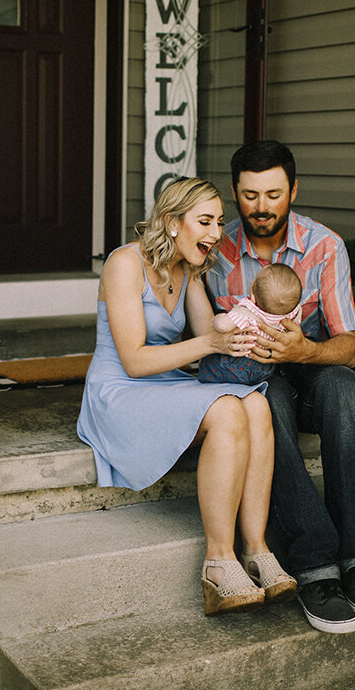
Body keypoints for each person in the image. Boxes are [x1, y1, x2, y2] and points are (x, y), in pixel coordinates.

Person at [77, 177, 297, 616]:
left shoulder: (188, 270)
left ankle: (256, 548)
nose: (217, 232)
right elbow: (135, 361)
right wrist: (212, 344)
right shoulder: (124, 263)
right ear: (173, 223)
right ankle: (219, 560)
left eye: (218, 221)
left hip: (165, 381)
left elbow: (208, 332)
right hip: (119, 389)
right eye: (205, 221)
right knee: (227, 412)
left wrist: (255, 327)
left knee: (255, 402)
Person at [205, 140, 355, 635]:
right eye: (249, 195)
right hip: (250, 376)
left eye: (272, 193)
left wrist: (303, 350)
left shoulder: (324, 246)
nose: (261, 207)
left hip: (310, 367)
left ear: (293, 190)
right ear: (234, 192)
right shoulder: (215, 252)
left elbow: (350, 347)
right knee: (267, 406)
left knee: (345, 390)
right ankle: (315, 568)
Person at [196, 263, 302, 386]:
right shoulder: (293, 311)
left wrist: (215, 319)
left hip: (237, 363)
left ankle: (208, 381)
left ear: (253, 297)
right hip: (265, 368)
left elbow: (223, 325)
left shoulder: (247, 311)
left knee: (211, 362)